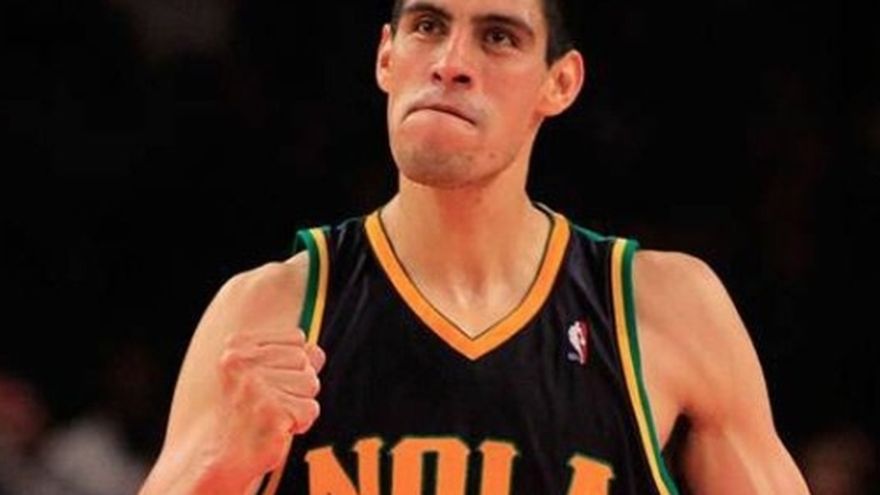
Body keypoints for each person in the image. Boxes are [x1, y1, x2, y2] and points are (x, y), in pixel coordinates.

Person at [140, 0, 810, 493]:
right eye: (428, 26)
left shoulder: (659, 311)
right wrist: (223, 465)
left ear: (560, 83)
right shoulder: (272, 310)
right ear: (385, 57)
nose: (451, 64)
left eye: (498, 37)